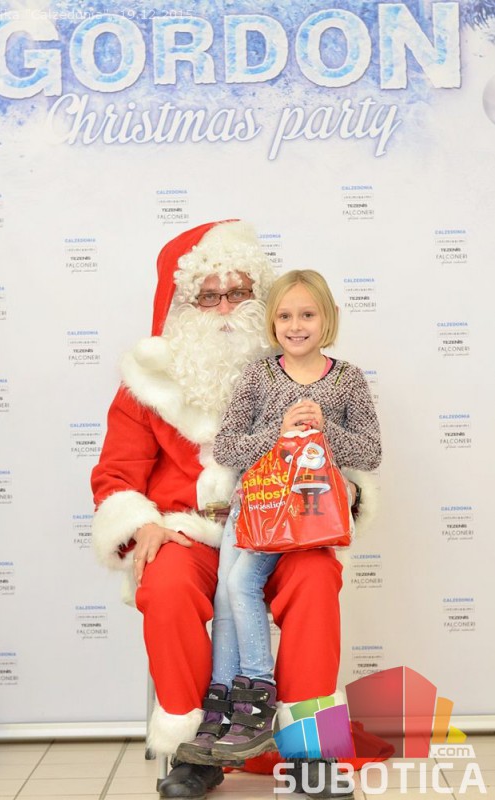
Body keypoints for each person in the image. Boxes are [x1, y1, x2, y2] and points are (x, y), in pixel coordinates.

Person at [91, 221, 378, 800]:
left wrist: (342, 493)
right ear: (183, 305)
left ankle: (309, 748)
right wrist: (142, 524)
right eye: (209, 295)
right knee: (167, 587)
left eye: (239, 291)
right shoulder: (145, 386)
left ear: (262, 299)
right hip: (191, 533)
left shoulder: (296, 366)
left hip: (284, 527)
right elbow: (116, 475)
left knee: (315, 579)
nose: (225, 307)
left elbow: (350, 456)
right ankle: (194, 749)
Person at [176, 270, 381, 766]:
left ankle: (260, 697)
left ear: (328, 319)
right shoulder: (259, 377)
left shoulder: (348, 379)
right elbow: (228, 448)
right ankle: (224, 707)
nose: (295, 325)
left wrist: (324, 429)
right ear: (272, 322)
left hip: (309, 513)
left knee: (244, 583)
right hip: (256, 508)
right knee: (227, 595)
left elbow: (370, 452)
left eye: (307, 315)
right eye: (285, 316)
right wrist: (280, 430)